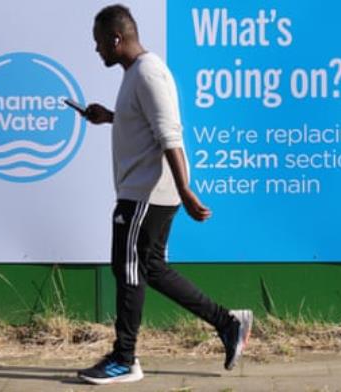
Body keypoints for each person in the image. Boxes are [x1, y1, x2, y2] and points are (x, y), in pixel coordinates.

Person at [76, 4, 253, 385]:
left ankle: (124, 359)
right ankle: (228, 323)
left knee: (127, 270)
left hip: (144, 194)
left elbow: (170, 134)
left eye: (98, 43)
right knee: (149, 268)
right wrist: (108, 116)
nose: (97, 51)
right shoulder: (135, 74)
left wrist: (186, 189)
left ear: (116, 38)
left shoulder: (148, 73)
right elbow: (145, 122)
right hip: (146, 192)